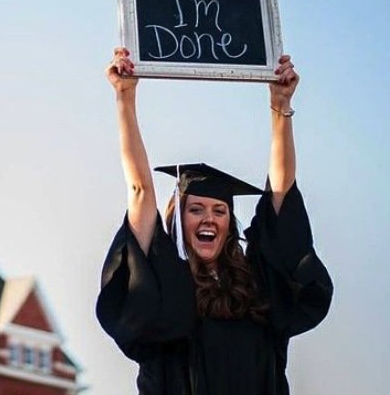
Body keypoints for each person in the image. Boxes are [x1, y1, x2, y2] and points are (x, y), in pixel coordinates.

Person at [95, 48, 333, 395]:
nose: (209, 218)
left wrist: (281, 107)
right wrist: (125, 97)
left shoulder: (256, 288)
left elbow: (281, 195)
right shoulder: (166, 289)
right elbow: (141, 190)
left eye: (219, 211)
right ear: (179, 219)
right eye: (196, 209)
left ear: (229, 224)